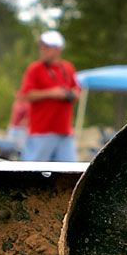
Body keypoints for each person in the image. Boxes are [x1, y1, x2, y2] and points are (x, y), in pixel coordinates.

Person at [18, 30, 80, 163]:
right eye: (41, 47)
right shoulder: (35, 69)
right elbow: (25, 95)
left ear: (57, 49)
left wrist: (72, 94)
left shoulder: (68, 68)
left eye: (47, 47)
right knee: (33, 173)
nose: (42, 50)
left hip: (64, 132)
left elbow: (76, 93)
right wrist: (52, 93)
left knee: (70, 174)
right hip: (41, 131)